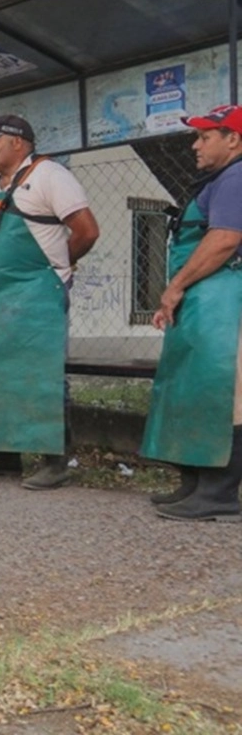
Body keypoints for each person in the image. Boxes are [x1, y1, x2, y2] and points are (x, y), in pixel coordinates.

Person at [0, 115, 100, 490]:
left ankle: (55, 461)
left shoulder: (50, 175)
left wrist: (55, 270)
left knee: (41, 374)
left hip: (37, 295)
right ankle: (6, 455)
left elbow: (87, 231)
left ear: (18, 143)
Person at [140, 104, 242, 521]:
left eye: (205, 136)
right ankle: (198, 482)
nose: (195, 145)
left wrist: (175, 286)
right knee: (199, 389)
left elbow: (224, 240)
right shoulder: (219, 179)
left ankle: (220, 492)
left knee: (226, 395)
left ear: (233, 139)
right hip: (209, 301)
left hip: (227, 300)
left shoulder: (237, 176)